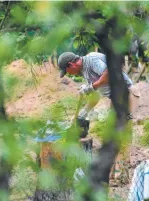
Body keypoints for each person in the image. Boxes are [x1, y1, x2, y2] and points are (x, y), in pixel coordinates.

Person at [58, 51, 140, 182]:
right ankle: (114, 175)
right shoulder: (85, 71)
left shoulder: (91, 60)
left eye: (67, 71)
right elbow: (95, 96)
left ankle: (121, 178)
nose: (69, 75)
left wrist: (92, 86)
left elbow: (108, 74)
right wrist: (83, 112)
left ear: (71, 64)